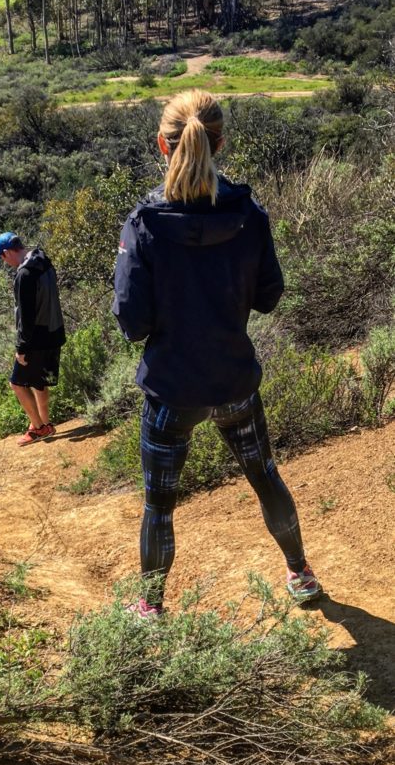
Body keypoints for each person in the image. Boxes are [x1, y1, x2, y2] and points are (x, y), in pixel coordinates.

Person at [111, 89, 321, 617]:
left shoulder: (143, 225)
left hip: (172, 391)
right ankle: (300, 572)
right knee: (265, 475)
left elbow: (131, 323)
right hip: (233, 381)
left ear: (163, 145)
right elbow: (270, 296)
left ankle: (151, 606)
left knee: (159, 503)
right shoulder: (249, 215)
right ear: (221, 142)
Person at [0, 231, 66, 447]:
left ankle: (38, 428)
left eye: (3, 258)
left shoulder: (24, 274)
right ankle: (46, 423)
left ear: (6, 252)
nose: (6, 263)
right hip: (55, 331)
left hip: (37, 338)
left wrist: (22, 347)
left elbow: (26, 316)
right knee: (38, 381)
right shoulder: (42, 258)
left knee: (16, 383)